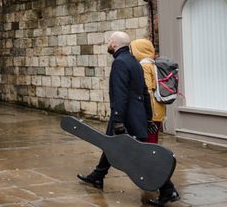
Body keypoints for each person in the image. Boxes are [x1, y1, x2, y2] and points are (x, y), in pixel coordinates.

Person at [77, 31, 180, 206]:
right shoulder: (135, 63)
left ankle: (168, 190)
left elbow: (120, 94)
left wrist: (118, 120)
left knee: (139, 157)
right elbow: (145, 93)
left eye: (110, 41)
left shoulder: (120, 63)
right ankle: (97, 176)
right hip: (136, 115)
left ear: (115, 44)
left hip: (125, 117)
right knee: (109, 145)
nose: (109, 43)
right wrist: (147, 118)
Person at [131, 38, 180, 206]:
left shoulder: (144, 65)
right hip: (158, 112)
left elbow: (147, 91)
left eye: (133, 49)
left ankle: (168, 190)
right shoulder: (152, 63)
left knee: (150, 152)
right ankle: (165, 188)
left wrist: (147, 117)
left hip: (151, 113)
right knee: (150, 150)